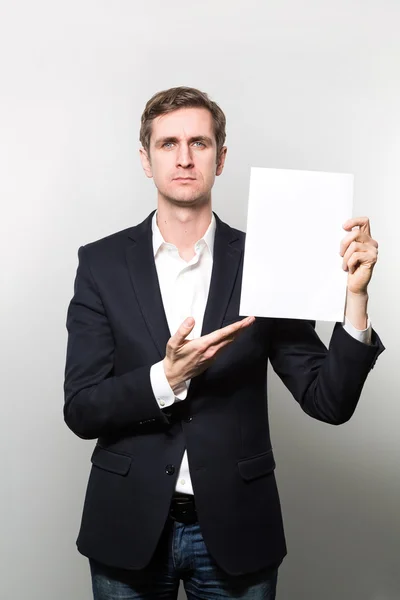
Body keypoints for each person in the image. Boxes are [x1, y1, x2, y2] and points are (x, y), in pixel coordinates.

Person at [64, 86, 384, 600]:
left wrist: (355, 299)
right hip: (128, 524)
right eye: (168, 144)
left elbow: (330, 402)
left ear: (221, 157)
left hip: (237, 529)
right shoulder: (100, 264)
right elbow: (80, 409)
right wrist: (164, 379)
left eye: (199, 142)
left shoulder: (264, 259)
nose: (185, 158)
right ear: (146, 160)